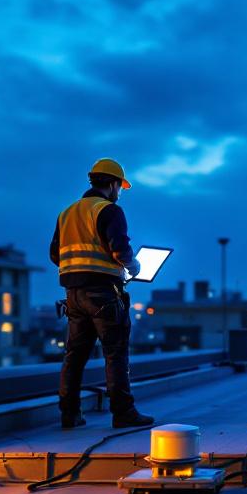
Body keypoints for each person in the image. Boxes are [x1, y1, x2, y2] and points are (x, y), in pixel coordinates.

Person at [50, 158, 155, 429]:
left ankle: (69, 414)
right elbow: (120, 250)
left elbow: (55, 254)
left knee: (75, 356)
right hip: (103, 294)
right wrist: (134, 266)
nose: (119, 193)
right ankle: (123, 413)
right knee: (115, 352)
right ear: (111, 184)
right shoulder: (108, 210)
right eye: (119, 187)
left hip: (73, 294)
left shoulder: (67, 213)